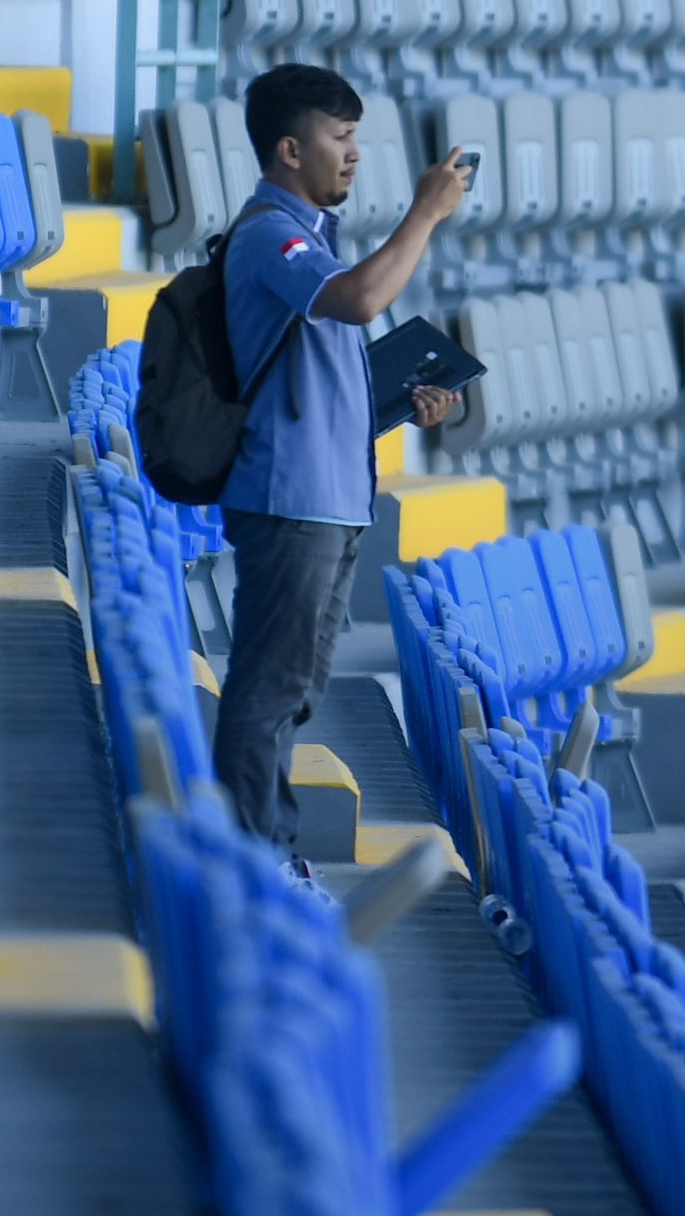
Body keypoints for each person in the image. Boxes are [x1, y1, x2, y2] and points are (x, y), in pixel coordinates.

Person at [214, 62, 472, 882]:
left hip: (330, 496)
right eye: (341, 137)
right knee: (268, 686)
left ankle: (263, 852)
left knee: (294, 688)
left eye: (356, 136)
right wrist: (426, 213)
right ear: (291, 149)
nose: (354, 154)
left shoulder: (313, 238)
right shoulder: (270, 234)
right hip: (290, 499)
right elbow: (361, 300)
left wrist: (405, 403)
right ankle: (253, 862)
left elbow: (325, 364)